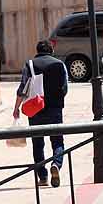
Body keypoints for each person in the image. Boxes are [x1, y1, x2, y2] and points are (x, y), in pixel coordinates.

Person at [22, 40, 69, 187]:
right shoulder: (59, 64)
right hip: (55, 108)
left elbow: (23, 87)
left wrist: (17, 108)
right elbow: (65, 87)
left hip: (35, 109)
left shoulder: (30, 64)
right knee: (57, 141)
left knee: (37, 144)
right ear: (51, 51)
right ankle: (56, 164)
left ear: (37, 50)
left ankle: (42, 177)